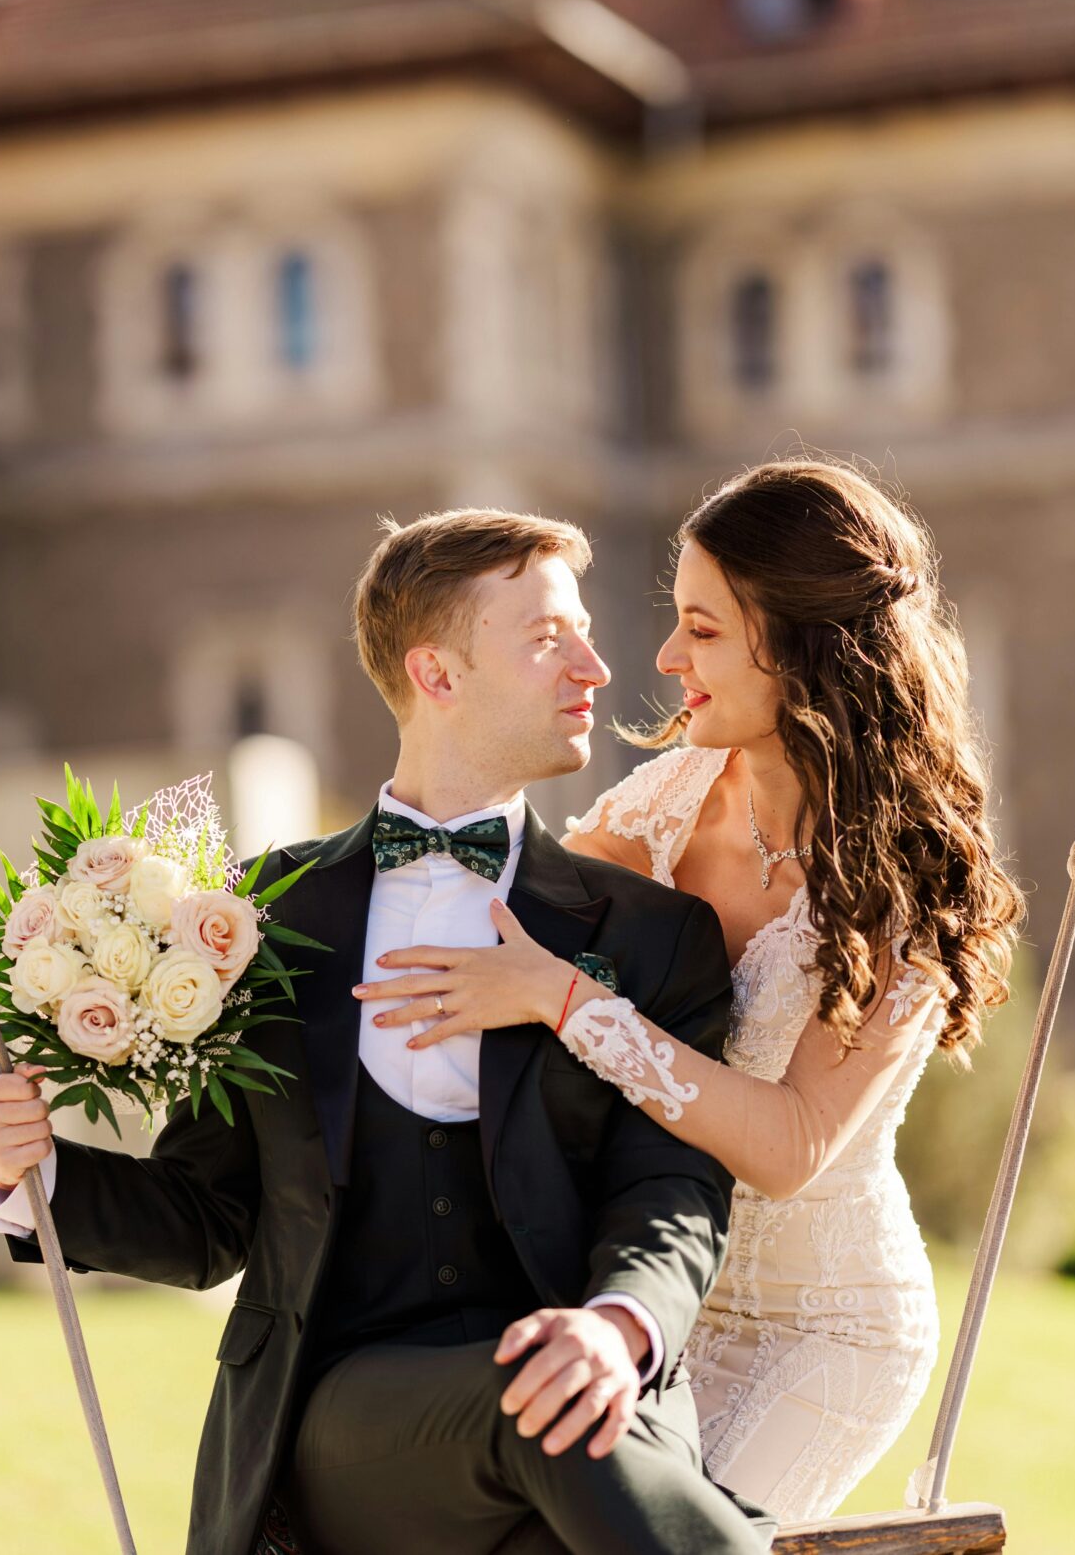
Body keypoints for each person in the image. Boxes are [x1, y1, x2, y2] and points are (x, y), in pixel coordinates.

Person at [0, 509, 770, 1555]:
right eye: (547, 637)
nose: (597, 664)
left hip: (595, 1393)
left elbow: (671, 1189)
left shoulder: (653, 935)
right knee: (533, 1399)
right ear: (435, 674)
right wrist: (25, 1172)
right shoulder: (261, 917)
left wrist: (615, 1327)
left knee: (556, 1432)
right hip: (348, 1421)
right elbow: (211, 1216)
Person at [353, 460, 1025, 1523]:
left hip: (828, 1329)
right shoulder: (663, 801)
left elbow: (791, 1144)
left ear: (803, 647)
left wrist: (570, 1003)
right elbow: (500, 925)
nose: (665, 659)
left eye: (703, 631)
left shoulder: (904, 878)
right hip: (654, 1294)